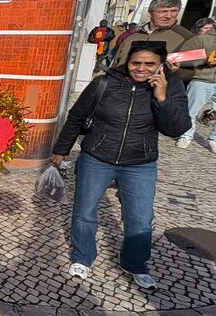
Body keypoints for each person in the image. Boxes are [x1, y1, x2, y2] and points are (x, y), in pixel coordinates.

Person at [52, 41, 190, 291]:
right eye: (136, 63)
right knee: (85, 211)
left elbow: (177, 129)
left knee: (140, 218)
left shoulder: (173, 86)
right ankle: (82, 257)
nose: (141, 69)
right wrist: (60, 150)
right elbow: (76, 117)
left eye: (150, 64)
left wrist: (161, 97)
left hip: (140, 163)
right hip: (97, 157)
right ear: (127, 62)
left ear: (161, 66)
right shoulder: (104, 83)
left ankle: (135, 264)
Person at [176, 8, 216, 155]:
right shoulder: (203, 38)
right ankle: (186, 135)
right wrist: (205, 60)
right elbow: (183, 57)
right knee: (190, 111)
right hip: (202, 79)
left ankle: (215, 139)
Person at [111, 0, 193, 81]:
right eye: (163, 11)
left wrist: (176, 72)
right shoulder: (132, 36)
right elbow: (116, 63)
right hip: (122, 87)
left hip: (158, 91)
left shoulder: (186, 37)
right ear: (149, 13)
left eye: (174, 11)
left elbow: (193, 73)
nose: (168, 16)